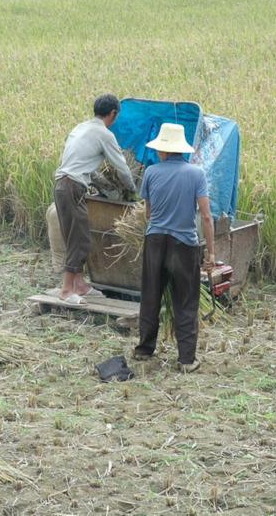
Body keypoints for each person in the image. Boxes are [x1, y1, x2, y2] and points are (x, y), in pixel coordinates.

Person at [132, 123, 215, 373]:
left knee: (150, 296)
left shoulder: (151, 173)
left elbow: (148, 212)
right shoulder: (197, 174)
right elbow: (207, 216)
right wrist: (211, 253)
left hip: (155, 241)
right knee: (186, 301)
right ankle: (187, 360)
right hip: (184, 245)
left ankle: (144, 350)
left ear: (164, 151)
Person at [54, 94, 136, 304]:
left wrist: (102, 184)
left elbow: (79, 163)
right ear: (113, 114)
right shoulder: (104, 134)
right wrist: (133, 191)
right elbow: (123, 169)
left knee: (74, 235)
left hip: (62, 184)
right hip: (73, 186)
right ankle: (65, 291)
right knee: (79, 239)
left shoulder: (80, 128)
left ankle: (79, 285)